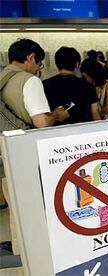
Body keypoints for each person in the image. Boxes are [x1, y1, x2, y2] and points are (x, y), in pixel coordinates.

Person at [0, 39, 69, 255]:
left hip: (5, 156)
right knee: (33, 215)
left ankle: (23, 258)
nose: (39, 70)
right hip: (25, 159)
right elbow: (41, 123)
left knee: (17, 217)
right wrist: (57, 115)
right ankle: (38, 259)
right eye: (39, 65)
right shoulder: (28, 81)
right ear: (30, 57)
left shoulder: (2, 77)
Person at [43, 46, 101, 125]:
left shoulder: (44, 85)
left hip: (55, 133)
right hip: (83, 132)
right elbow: (95, 116)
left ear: (57, 64)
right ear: (77, 64)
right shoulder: (87, 86)